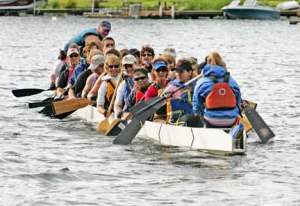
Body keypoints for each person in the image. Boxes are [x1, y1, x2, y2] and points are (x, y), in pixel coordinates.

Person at [192, 53, 241, 128]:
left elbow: (196, 106)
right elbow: (238, 102)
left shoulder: (202, 82)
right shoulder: (232, 81)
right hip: (231, 120)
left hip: (210, 121)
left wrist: (200, 117)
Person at [165, 59, 194, 125]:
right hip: (175, 121)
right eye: (177, 71)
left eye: (181, 71)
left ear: (190, 72)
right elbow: (163, 97)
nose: (178, 74)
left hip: (192, 120)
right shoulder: (172, 86)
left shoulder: (196, 86)